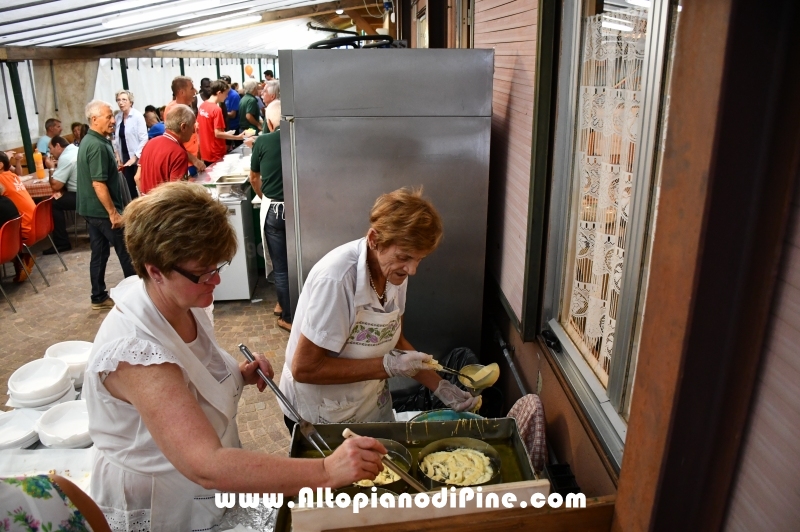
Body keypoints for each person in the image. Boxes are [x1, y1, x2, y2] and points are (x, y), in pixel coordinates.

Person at [84, 183, 386, 531]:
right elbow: (206, 465)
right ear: (156, 271)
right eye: (204, 273)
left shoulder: (183, 300)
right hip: (163, 501)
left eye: (218, 265)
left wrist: (239, 374)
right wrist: (324, 471)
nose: (216, 279)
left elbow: (191, 374)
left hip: (204, 492)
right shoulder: (135, 353)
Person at [277, 188, 479, 429]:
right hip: (323, 415)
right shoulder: (338, 280)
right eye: (405, 257)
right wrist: (388, 366)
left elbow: (395, 339)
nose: (412, 270)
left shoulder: (395, 273)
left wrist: (442, 388)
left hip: (369, 404)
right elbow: (305, 368)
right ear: (374, 239)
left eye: (419, 259)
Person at [77, 100, 136, 310]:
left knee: (99, 252)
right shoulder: (96, 145)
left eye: (112, 116)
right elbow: (98, 183)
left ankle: (98, 296)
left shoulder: (90, 140)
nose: (113, 120)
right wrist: (113, 213)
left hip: (90, 210)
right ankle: (136, 298)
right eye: (108, 116)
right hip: (102, 211)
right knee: (127, 250)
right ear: (94, 119)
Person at [250, 100, 290, 330]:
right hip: (299, 210)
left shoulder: (263, 141)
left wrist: (263, 196)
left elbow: (254, 177)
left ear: (272, 121)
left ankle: (287, 315)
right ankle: (291, 307)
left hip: (274, 210)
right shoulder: (298, 139)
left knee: (281, 266)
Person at [136, 104, 195, 195]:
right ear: (183, 127)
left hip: (147, 204)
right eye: (192, 126)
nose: (194, 130)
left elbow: (137, 177)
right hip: (165, 207)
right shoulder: (178, 153)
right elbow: (177, 194)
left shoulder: (149, 143)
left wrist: (146, 200)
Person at [0, 152, 35, 282]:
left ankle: (21, 260)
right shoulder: (12, 175)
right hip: (34, 223)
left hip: (22, 228)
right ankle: (21, 260)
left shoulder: (1, 178)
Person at [43, 135, 78, 254]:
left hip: (82, 196)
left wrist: (51, 168)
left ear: (58, 146)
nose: (50, 152)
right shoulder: (75, 149)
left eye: (50, 148)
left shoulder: (66, 157)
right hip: (89, 191)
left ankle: (61, 243)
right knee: (58, 198)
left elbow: (55, 186)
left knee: (54, 203)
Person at [197, 80, 245, 165]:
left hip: (205, 151)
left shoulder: (202, 106)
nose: (226, 97)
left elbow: (198, 127)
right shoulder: (216, 109)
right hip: (215, 151)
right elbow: (218, 133)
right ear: (219, 93)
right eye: (226, 94)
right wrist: (238, 137)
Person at [164, 76, 206, 174]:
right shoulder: (174, 110)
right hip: (186, 164)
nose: (195, 91)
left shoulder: (187, 107)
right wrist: (194, 160)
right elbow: (174, 142)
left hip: (194, 161)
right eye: (191, 88)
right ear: (182, 92)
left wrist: (199, 157)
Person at [113, 90, 148, 200]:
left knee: (141, 185)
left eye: (124, 100)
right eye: (119, 100)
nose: (121, 103)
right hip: (124, 158)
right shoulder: (118, 117)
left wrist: (135, 157)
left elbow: (144, 138)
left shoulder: (137, 116)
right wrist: (117, 156)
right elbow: (115, 138)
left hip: (137, 157)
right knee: (129, 188)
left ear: (130, 102)